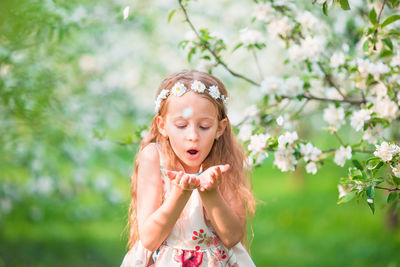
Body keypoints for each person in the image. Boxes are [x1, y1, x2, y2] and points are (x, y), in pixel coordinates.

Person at [121, 70, 256, 266]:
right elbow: (150, 239)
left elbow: (232, 237)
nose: (193, 136)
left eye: (204, 126)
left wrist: (211, 193)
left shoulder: (223, 160)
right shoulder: (153, 157)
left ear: (220, 128)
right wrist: (180, 193)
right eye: (181, 125)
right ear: (162, 125)